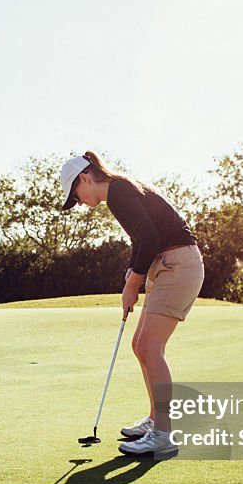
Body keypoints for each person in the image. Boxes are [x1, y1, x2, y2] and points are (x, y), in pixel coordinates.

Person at [60, 152, 204, 460]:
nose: (80, 202)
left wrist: (131, 284)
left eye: (77, 195)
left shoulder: (119, 192)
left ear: (85, 178)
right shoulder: (120, 190)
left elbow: (150, 238)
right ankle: (155, 419)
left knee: (151, 346)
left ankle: (163, 435)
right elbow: (142, 240)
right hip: (166, 264)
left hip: (177, 264)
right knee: (140, 345)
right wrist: (132, 274)